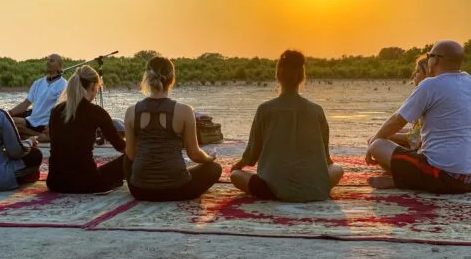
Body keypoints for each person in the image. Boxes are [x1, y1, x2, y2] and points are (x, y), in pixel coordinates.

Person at [230, 50, 343, 202]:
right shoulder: (317, 110)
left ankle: (280, 191)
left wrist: (236, 167)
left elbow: (251, 156)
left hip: (272, 190)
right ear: (302, 77)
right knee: (338, 169)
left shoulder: (265, 109)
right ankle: (310, 187)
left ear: (278, 75)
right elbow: (326, 157)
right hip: (314, 189)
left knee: (236, 175)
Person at [366, 40, 471, 193]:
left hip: (443, 176)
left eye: (429, 55)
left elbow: (398, 120)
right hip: (468, 178)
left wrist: (374, 141)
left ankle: (402, 181)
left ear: (436, 59)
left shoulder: (430, 85)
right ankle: (405, 179)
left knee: (377, 145)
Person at [124, 56, 222, 201]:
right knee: (215, 168)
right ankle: (175, 172)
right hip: (177, 189)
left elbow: (131, 155)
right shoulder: (185, 111)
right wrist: (209, 158)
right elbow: (194, 154)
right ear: (172, 80)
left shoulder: (132, 112)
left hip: (139, 190)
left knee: (125, 158)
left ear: (147, 78)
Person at [47, 65, 126, 193]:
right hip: (86, 183)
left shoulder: (56, 110)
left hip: (55, 182)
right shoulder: (97, 112)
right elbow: (120, 146)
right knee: (130, 159)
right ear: (93, 86)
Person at [9, 53, 67, 141]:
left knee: (17, 130)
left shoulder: (64, 85)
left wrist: (51, 126)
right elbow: (25, 104)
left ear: (59, 66)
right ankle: (36, 136)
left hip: (46, 124)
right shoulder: (38, 83)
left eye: (52, 61)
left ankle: (36, 135)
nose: (48, 63)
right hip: (32, 120)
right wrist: (8, 114)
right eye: (47, 60)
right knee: (7, 123)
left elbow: (61, 110)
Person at [388, 55, 429, 150]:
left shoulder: (424, 92)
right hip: (419, 138)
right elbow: (415, 130)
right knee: (386, 132)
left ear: (426, 74)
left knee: (377, 141)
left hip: (422, 146)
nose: (414, 74)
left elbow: (415, 138)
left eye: (418, 71)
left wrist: (380, 136)